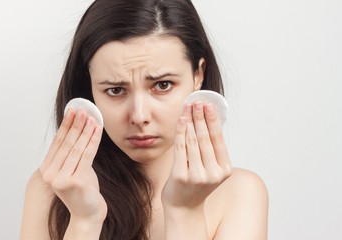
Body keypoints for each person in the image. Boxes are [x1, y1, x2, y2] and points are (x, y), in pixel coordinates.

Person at [20, 0, 268, 239]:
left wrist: (185, 212)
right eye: (116, 90)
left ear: (198, 75)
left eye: (163, 85)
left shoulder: (241, 193)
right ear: (90, 90)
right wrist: (85, 221)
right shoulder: (52, 190)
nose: (139, 116)